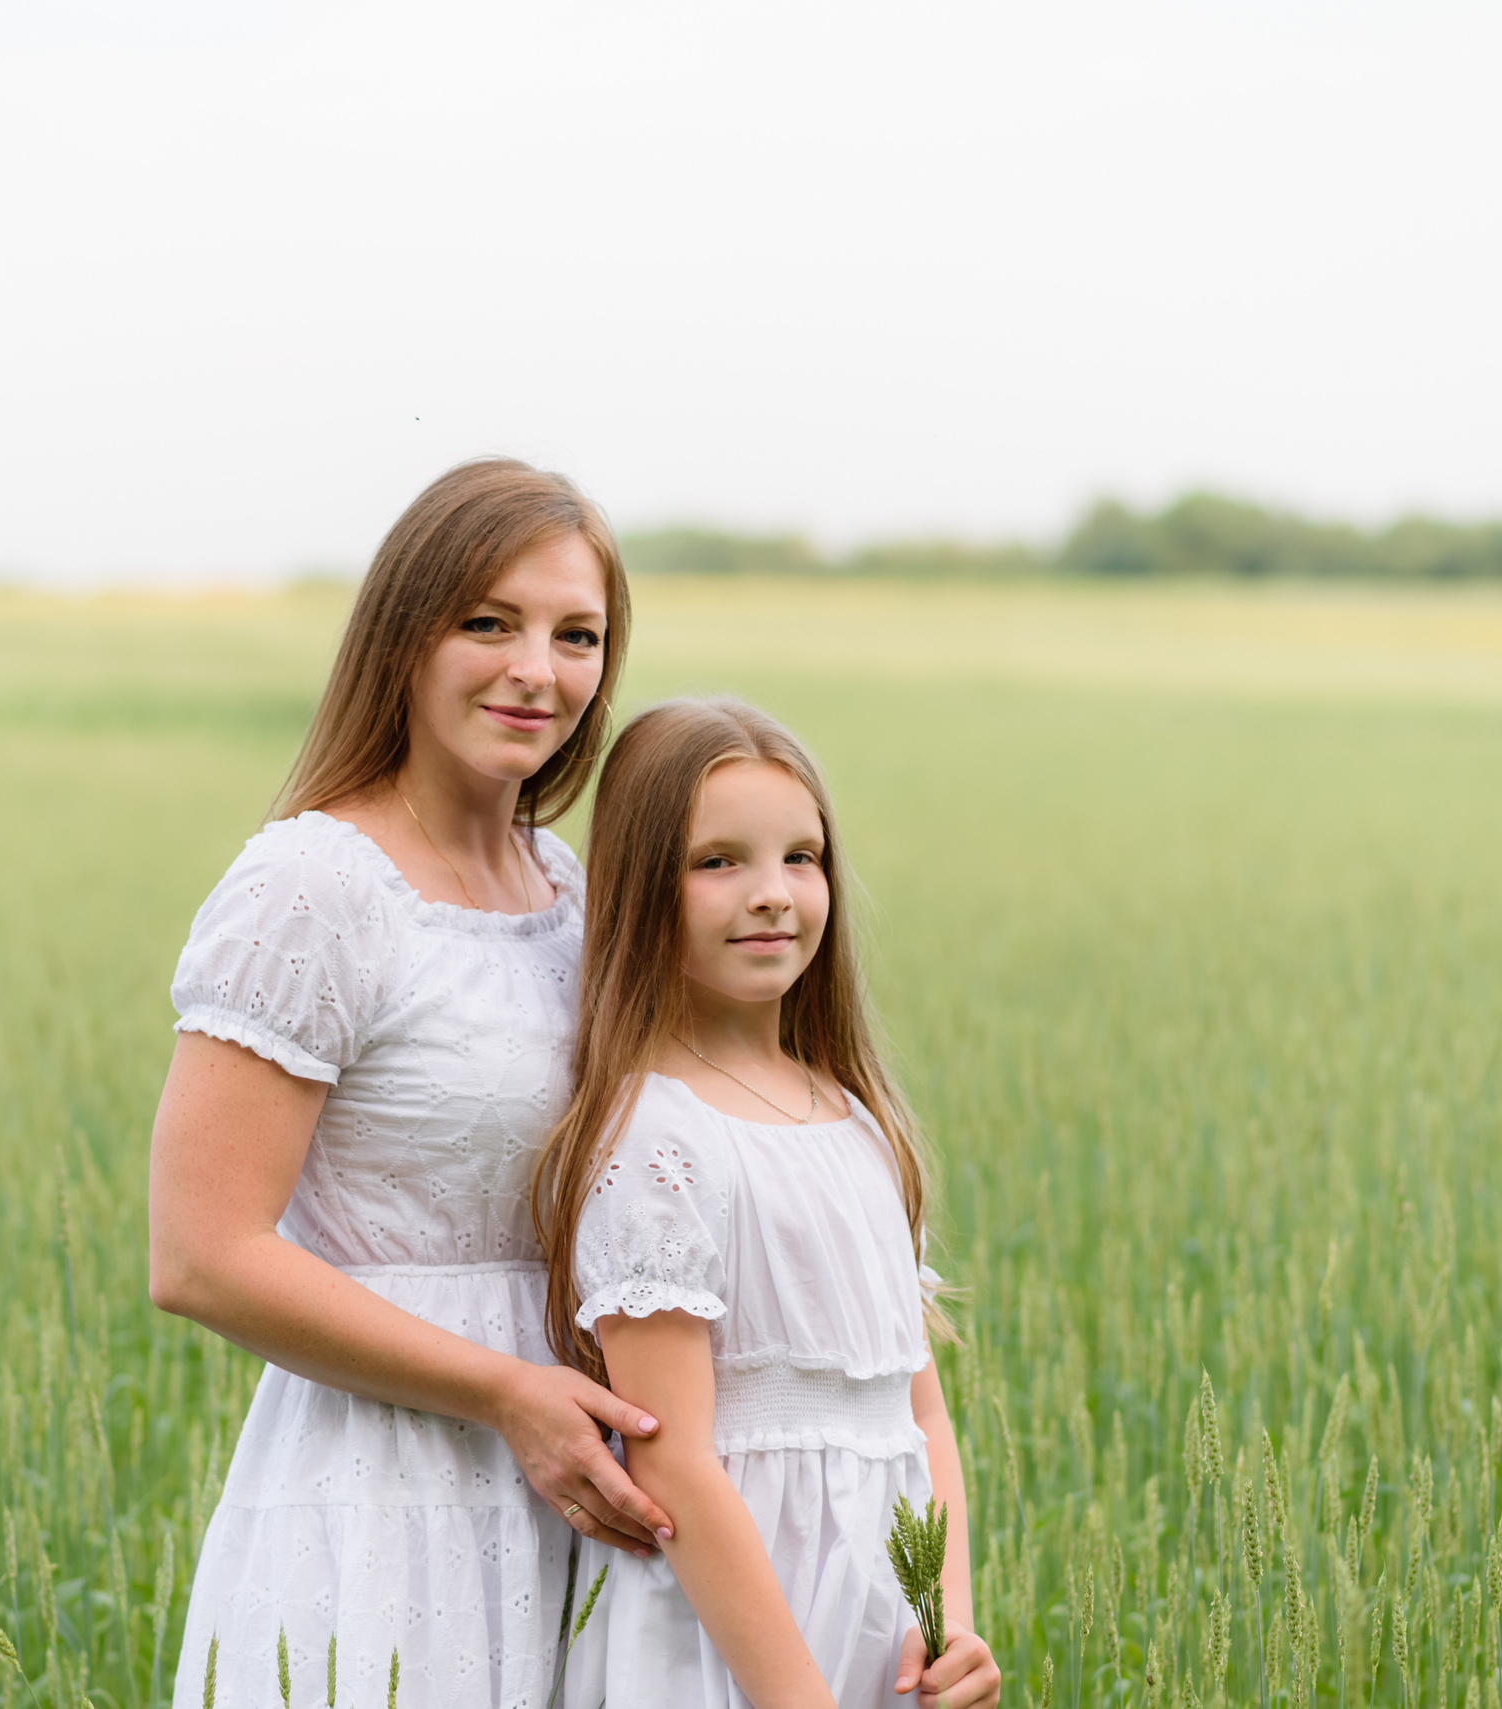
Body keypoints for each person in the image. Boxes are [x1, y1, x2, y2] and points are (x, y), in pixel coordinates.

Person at [147, 460, 676, 1709]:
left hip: (576, 1495)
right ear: (402, 632)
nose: (535, 669)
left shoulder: (576, 894)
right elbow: (200, 1252)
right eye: (486, 621)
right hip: (378, 1494)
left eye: (576, 635)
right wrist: (503, 1394)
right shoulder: (314, 885)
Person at [534, 699, 1003, 1709]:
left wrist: (949, 1618)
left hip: (884, 1630)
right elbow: (677, 1464)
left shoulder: (858, 1120)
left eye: (802, 857)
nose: (773, 895)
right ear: (638, 888)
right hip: (732, 1641)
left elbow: (916, 1409)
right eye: (718, 862)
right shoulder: (657, 1141)